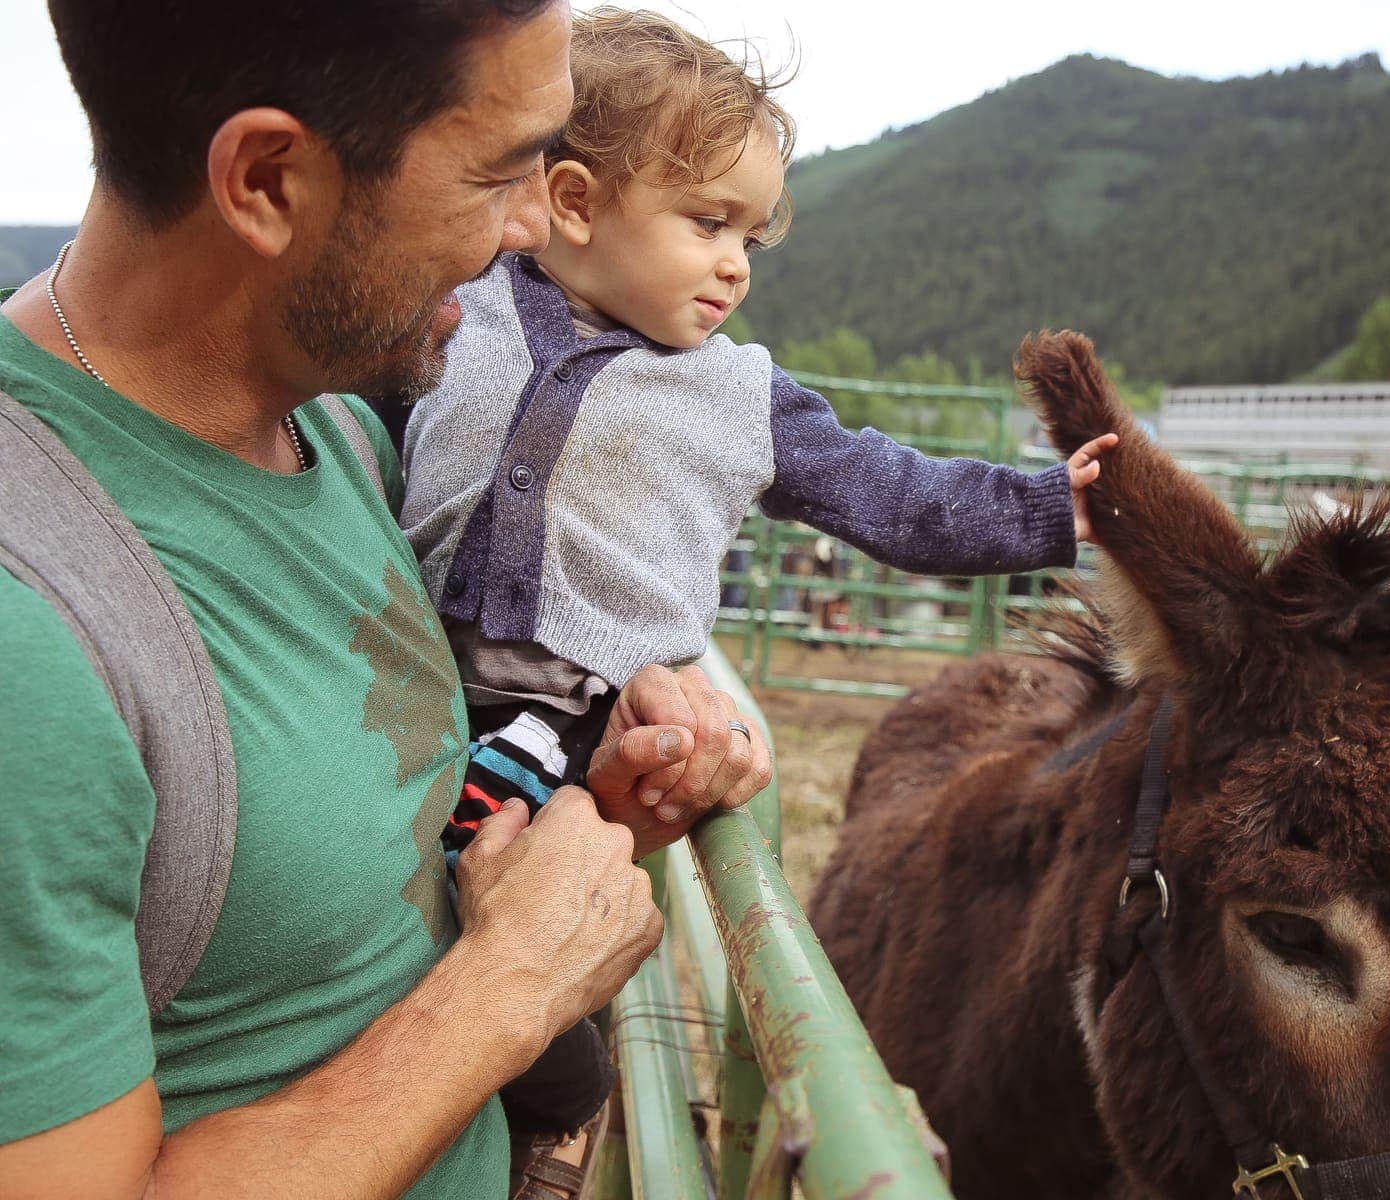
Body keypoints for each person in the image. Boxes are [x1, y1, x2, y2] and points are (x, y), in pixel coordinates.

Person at [0, 4, 768, 1199]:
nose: (532, 225)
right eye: (497, 172)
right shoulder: (27, 644)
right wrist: (510, 990)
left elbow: (339, 854)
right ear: (266, 179)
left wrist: (590, 797)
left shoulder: (335, 431)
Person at [402, 6, 1117, 843]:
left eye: (750, 235)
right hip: (408, 671)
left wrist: (1041, 511)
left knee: (493, 848)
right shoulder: (453, 311)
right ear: (575, 203)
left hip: (590, 719)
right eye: (709, 223)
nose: (735, 264)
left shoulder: (737, 392)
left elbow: (883, 489)